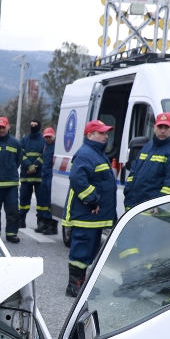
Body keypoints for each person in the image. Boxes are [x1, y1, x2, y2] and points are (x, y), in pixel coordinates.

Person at [62, 120, 118, 297]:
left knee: (90, 249)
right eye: (101, 133)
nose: (106, 136)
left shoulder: (96, 153)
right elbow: (78, 180)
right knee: (82, 248)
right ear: (90, 135)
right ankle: (74, 285)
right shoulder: (86, 153)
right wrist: (92, 200)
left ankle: (82, 282)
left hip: (94, 216)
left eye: (106, 132)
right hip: (86, 213)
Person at [122, 112, 170, 210]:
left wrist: (159, 206)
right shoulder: (147, 146)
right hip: (134, 206)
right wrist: (127, 191)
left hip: (154, 212)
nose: (162, 130)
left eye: (166, 127)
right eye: (160, 127)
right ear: (154, 127)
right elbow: (133, 172)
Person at [18, 118, 50, 233]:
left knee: (41, 201)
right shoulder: (25, 139)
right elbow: (20, 153)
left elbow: (45, 154)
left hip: (39, 176)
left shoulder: (43, 141)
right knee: (23, 198)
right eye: (31, 125)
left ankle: (40, 221)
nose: (33, 127)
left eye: (35, 125)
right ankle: (21, 219)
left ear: (39, 127)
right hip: (26, 175)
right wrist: (28, 165)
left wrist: (35, 166)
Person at [37, 126, 58, 234]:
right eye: (46, 137)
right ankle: (45, 222)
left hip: (51, 174)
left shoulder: (56, 146)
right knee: (44, 200)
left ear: (54, 135)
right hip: (44, 174)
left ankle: (52, 226)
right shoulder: (45, 146)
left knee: (50, 201)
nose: (48, 139)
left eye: (49, 137)